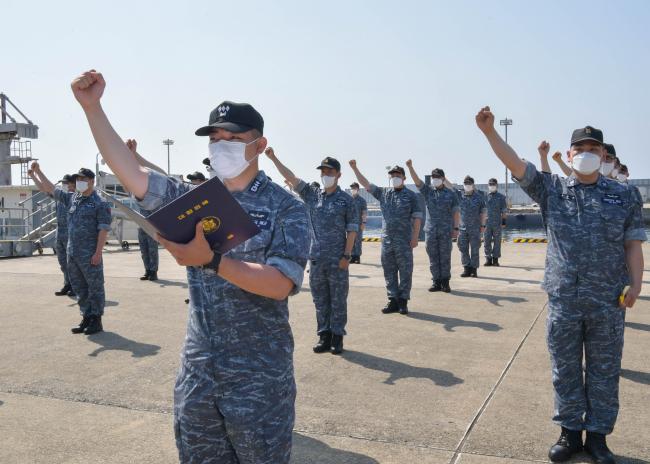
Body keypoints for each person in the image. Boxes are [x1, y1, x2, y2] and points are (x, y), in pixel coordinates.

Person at [71, 70, 310, 463]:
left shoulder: (287, 208)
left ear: (260, 145)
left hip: (258, 377)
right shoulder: (195, 199)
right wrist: (93, 109)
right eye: (215, 139)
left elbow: (281, 284)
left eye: (233, 139)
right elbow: (132, 175)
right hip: (199, 373)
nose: (221, 146)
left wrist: (212, 261)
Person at [476, 106, 646, 464]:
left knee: (604, 370)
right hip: (564, 300)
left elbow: (632, 244)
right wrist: (490, 133)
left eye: (594, 149)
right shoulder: (552, 189)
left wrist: (636, 284)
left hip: (607, 302)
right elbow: (517, 165)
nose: (587, 153)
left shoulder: (624, 195)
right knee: (565, 368)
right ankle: (569, 433)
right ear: (569, 155)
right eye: (580, 148)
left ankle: (598, 438)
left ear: (604, 155)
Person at [267, 150, 358, 354]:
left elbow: (352, 230)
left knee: (338, 299)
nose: (325, 175)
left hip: (337, 259)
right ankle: (324, 335)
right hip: (316, 259)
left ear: (338, 175)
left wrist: (347, 256)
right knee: (320, 299)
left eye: (330, 171)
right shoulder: (313, 194)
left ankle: (337, 337)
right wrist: (273, 158)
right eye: (323, 171)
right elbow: (291, 178)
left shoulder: (346, 201)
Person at [30, 162, 112, 334]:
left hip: (90, 253)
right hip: (72, 252)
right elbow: (51, 188)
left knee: (95, 287)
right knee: (79, 286)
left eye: (83, 179)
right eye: (78, 179)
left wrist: (98, 252)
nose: (80, 181)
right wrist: (38, 171)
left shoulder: (100, 203)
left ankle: (96, 320)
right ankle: (86, 317)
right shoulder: (73, 198)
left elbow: (103, 229)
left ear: (91, 181)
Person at [349, 161, 422, 315]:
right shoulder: (384, 193)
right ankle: (393, 300)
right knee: (389, 271)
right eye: (393, 175)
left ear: (404, 177)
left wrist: (415, 237)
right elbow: (366, 184)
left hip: (404, 240)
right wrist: (355, 168)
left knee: (405, 271)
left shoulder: (411, 196)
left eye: (398, 175)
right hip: (387, 241)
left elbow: (417, 218)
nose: (395, 177)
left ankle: (403, 301)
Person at [405, 160, 459, 293]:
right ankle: (436, 281)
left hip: (446, 231)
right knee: (433, 256)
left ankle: (445, 282)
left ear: (443, 178)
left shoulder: (451, 194)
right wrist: (410, 167)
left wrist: (456, 229)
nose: (435, 179)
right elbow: (417, 181)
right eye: (433, 177)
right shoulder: (428, 192)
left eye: (438, 177)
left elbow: (456, 212)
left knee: (445, 256)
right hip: (431, 230)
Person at [29, 170, 76, 296]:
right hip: (59, 232)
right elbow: (44, 189)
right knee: (62, 262)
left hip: (70, 233)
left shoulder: (73, 197)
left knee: (71, 262)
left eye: (66, 183)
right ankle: (67, 284)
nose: (64, 185)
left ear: (73, 184)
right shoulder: (60, 197)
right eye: (63, 183)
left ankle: (75, 286)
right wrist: (33, 176)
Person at [126, 139, 164, 282]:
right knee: (144, 248)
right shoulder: (137, 191)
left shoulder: (153, 191)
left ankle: (153, 271)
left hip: (152, 223)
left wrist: (134, 155)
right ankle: (147, 270)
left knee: (152, 248)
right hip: (141, 223)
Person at [456, 175, 486, 278]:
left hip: (475, 228)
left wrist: (483, 225)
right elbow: (450, 186)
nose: (467, 185)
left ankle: (474, 270)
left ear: (473, 185)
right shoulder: (460, 195)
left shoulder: (479, 197)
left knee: (475, 249)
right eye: (465, 183)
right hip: (463, 228)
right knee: (463, 248)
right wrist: (443, 177)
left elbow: (483, 212)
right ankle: (466, 268)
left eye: (469, 183)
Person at [483, 178, 507, 267]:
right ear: (488, 185)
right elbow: (481, 211)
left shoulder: (501, 197)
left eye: (493, 184)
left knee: (497, 242)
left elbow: (504, 211)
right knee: (486, 241)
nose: (492, 186)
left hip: (497, 223)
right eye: (490, 184)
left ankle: (495, 260)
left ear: (497, 185)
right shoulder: (484, 197)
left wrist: (504, 222)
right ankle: (488, 259)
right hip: (486, 223)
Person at [349, 182, 368, 264]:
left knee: (358, 241)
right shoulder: (348, 199)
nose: (353, 189)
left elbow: (364, 212)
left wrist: (363, 222)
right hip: (349, 224)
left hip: (358, 224)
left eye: (354, 188)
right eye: (352, 188)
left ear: (358, 189)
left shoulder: (362, 200)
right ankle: (352, 256)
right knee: (351, 240)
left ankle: (357, 257)